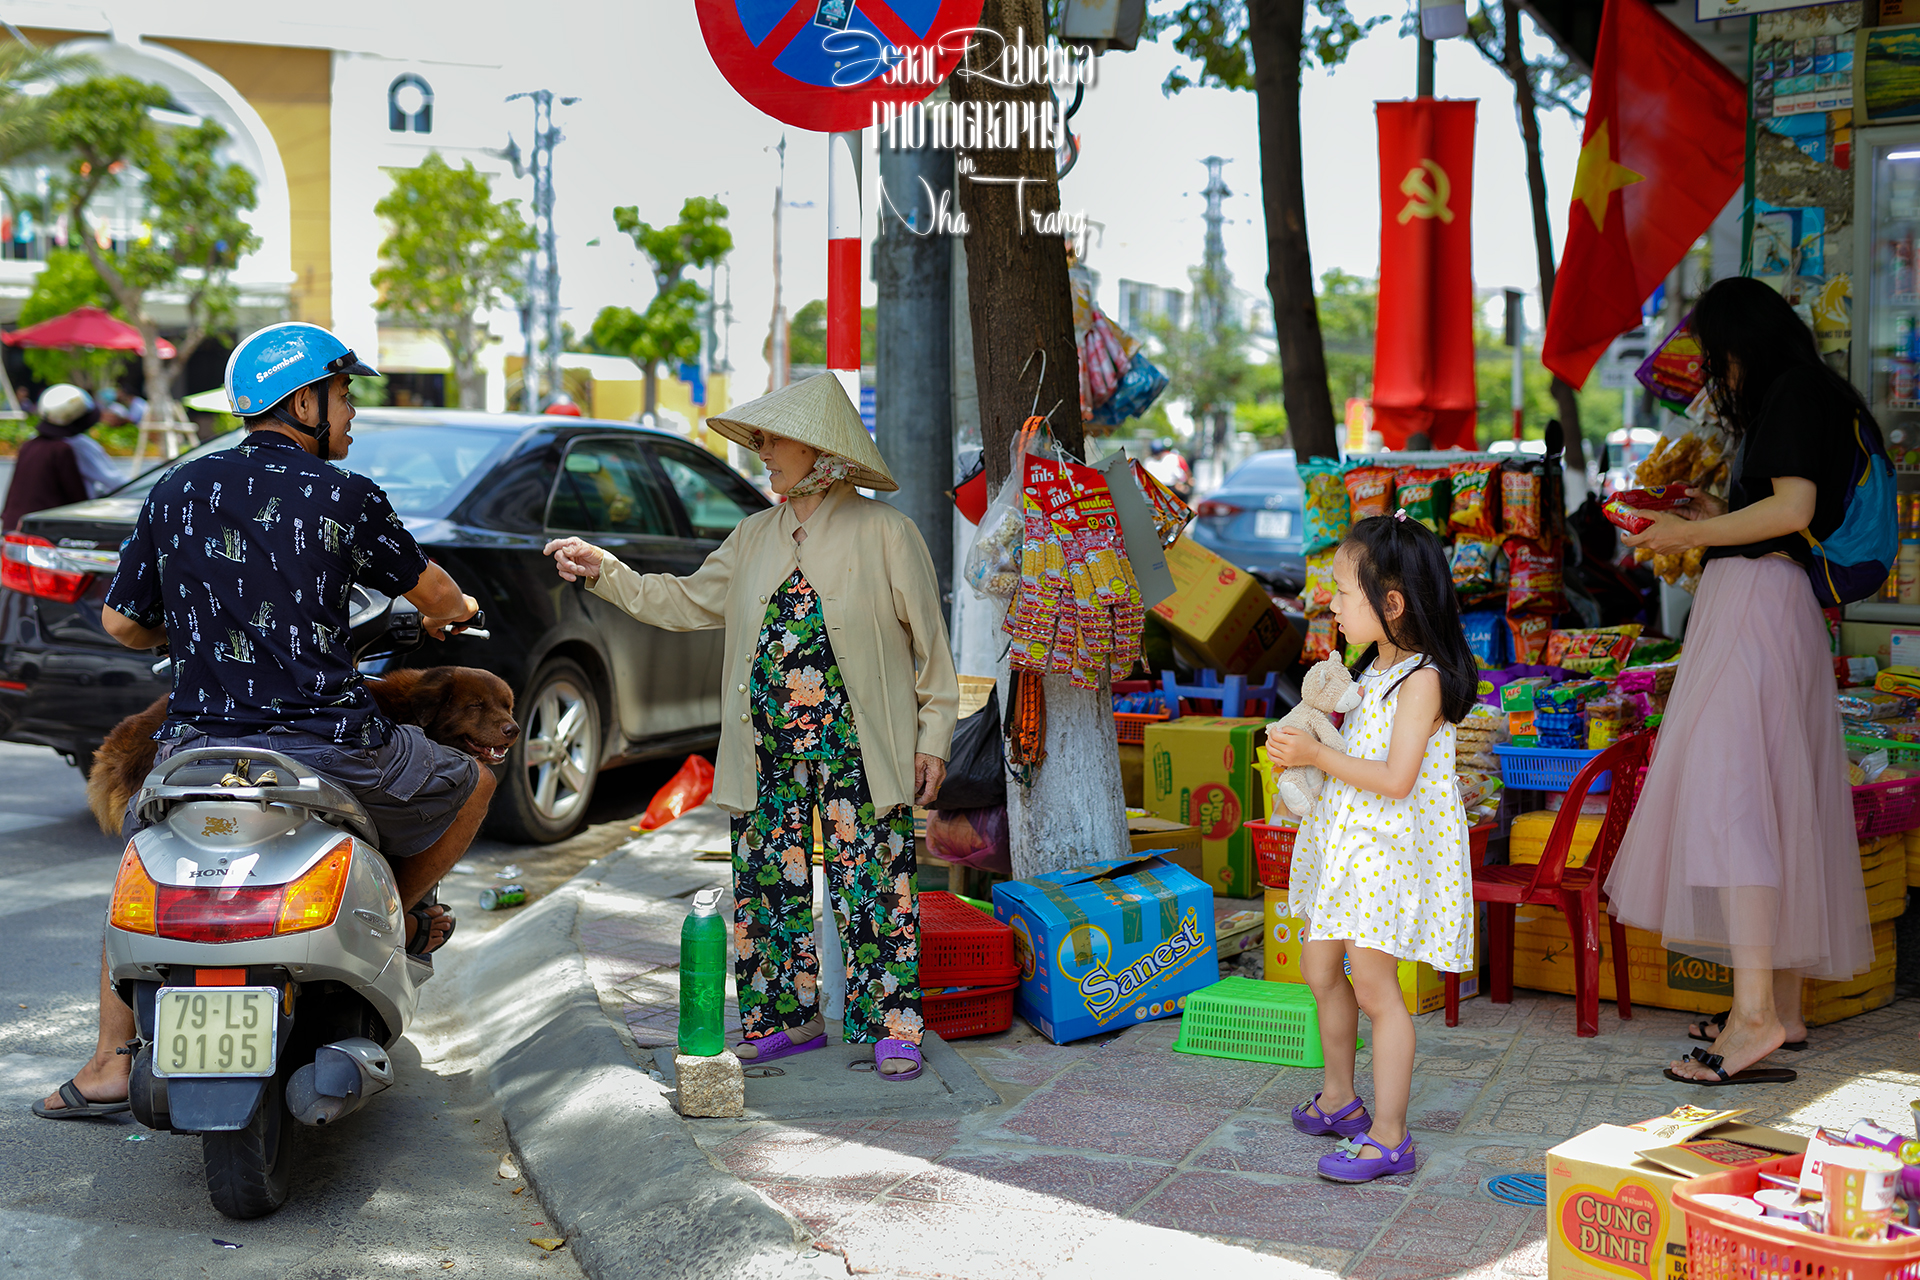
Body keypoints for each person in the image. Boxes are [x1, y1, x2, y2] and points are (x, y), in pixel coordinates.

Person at [34, 321, 494, 1120]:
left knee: (143, 860)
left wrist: (189, 621)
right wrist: (457, 613)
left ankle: (110, 1061)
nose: (352, 413)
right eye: (346, 395)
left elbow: (122, 625)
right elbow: (438, 597)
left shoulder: (177, 487)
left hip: (198, 748)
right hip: (332, 747)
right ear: (306, 400)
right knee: (475, 777)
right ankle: (401, 917)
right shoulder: (345, 494)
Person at [544, 373, 958, 1079]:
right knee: (767, 881)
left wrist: (933, 739)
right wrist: (603, 570)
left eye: (775, 439)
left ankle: (893, 1025)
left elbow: (933, 652)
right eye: (760, 438)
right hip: (765, 747)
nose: (762, 450)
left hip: (862, 745)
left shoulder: (888, 533)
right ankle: (787, 1021)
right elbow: (675, 602)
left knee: (875, 883)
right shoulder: (752, 537)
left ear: (820, 449)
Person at [1608, 275, 1873, 1086]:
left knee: (1733, 800)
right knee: (1778, 798)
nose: (1718, 375)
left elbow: (1790, 510)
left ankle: (1755, 1015)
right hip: (1781, 608)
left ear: (1739, 344)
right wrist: (1705, 516)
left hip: (1755, 603)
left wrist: (1691, 528)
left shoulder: (1790, 394)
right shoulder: (1820, 392)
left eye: (1718, 357)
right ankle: (1779, 1008)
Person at [1266, 511, 1477, 1182]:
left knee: (1378, 991)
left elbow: (1395, 778)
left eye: (1343, 591)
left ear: (1392, 603)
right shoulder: (1373, 669)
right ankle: (1340, 1099)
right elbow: (1357, 755)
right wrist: (1305, 760)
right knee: (1321, 970)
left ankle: (1390, 1137)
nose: (1331, 602)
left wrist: (1317, 759)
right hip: (1347, 848)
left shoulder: (1422, 679)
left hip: (1383, 858)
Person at [1, 384, 95, 530]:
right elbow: (76, 497)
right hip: (41, 527)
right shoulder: (61, 449)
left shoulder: (29, 445)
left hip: (15, 523)